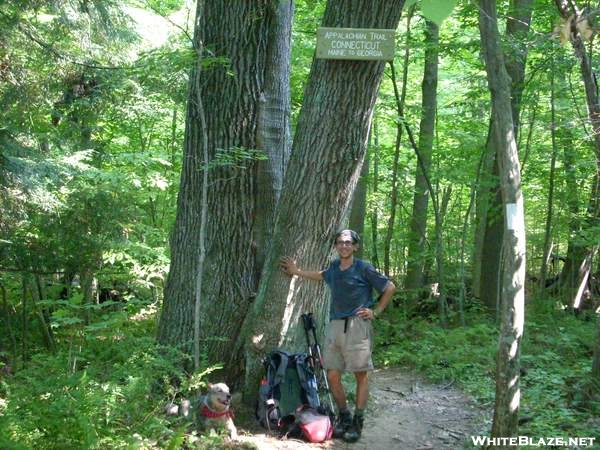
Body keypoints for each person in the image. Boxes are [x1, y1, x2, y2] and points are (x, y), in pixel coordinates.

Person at [280, 229, 396, 443]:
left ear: (355, 246)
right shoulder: (334, 268)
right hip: (334, 326)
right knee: (332, 375)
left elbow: (389, 287)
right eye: (340, 243)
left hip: (357, 326)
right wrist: (296, 271)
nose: (343, 246)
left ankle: (357, 422)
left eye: (348, 242)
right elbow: (321, 275)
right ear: (336, 246)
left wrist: (376, 311)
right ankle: (344, 416)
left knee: (360, 374)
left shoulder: (363, 268)